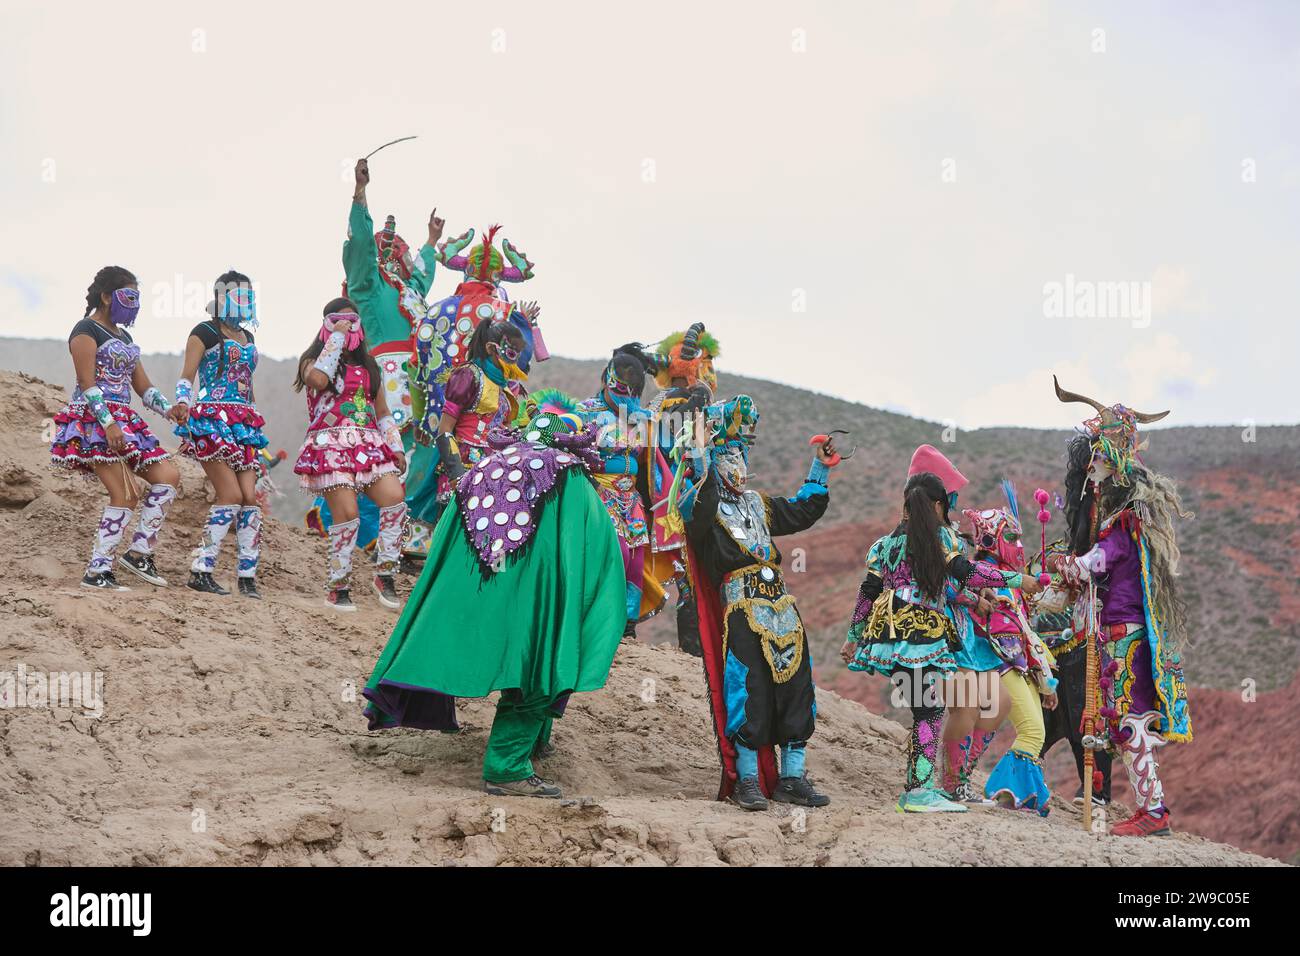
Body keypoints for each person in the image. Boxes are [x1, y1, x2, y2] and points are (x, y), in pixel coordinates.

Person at [363, 404, 626, 798]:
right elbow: (592, 545)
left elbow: (447, 537)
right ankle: (507, 767)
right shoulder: (568, 472)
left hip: (481, 583)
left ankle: (536, 741)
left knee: (521, 656)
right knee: (541, 662)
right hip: (537, 588)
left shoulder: (486, 466)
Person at [841, 471, 1042, 813]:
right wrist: (1018, 579)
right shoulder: (941, 540)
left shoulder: (885, 545)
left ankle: (917, 790)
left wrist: (852, 637)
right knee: (930, 711)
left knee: (925, 709)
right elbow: (969, 573)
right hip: (923, 632)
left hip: (889, 635)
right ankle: (920, 792)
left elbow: (868, 592)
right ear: (937, 505)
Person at [1046, 378, 1192, 837]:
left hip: (1122, 636)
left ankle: (1153, 814)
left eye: (1101, 458)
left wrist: (1063, 566)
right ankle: (1152, 810)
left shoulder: (1122, 524)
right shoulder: (1124, 522)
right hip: (1121, 635)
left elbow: (1092, 566)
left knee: (1130, 725)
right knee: (1130, 726)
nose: (1093, 466)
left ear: (1118, 464)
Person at [683, 396, 835, 811]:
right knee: (749, 688)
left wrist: (819, 466)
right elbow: (697, 510)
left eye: (740, 452)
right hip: (742, 608)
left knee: (796, 685)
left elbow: (802, 511)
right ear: (712, 459)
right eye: (726, 453)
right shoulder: (702, 507)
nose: (736, 460)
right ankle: (747, 780)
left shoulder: (759, 504)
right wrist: (698, 452)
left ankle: (792, 777)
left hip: (782, 606)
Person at [306, 158, 443, 564]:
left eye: (401, 250)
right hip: (381, 378)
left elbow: (420, 279)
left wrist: (432, 243)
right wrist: (360, 194)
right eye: (391, 249)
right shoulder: (366, 288)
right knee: (379, 457)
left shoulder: (405, 291)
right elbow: (362, 247)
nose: (397, 254)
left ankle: (407, 539)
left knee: (420, 459)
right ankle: (366, 537)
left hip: (418, 385)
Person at [51, 266, 184, 590]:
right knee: (125, 493)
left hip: (126, 420)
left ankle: (139, 554)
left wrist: (170, 409)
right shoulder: (85, 330)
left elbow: (143, 387)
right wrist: (108, 422)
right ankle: (97, 571)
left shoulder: (125, 338)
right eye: (129, 296)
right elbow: (86, 382)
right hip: (94, 421)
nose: (134, 303)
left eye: (138, 297)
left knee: (168, 477)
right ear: (107, 296)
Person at [292, 299, 408, 611]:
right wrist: (337, 338)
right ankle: (338, 585)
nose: (346, 323)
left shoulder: (371, 367)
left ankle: (386, 573)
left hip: (368, 444)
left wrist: (395, 446)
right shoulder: (312, 361)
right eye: (338, 319)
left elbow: (382, 411)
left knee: (395, 498)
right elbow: (318, 380)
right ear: (326, 323)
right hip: (329, 444)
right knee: (348, 513)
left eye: (351, 320)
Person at [961, 486, 1059, 814]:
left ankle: (1015, 797)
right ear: (992, 540)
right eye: (1012, 537)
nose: (1019, 545)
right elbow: (998, 631)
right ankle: (1009, 796)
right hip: (997, 665)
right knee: (1030, 731)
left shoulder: (1006, 581)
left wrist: (1042, 677)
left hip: (1016, 663)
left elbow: (1023, 632)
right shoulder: (981, 576)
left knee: (1035, 731)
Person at [172, 270, 268, 597]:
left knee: (250, 499)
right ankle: (201, 569)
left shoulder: (248, 337)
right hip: (211, 418)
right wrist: (182, 403)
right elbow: (186, 376)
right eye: (239, 295)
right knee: (231, 495)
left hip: (243, 422)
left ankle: (247, 576)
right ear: (222, 296)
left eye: (249, 295)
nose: (246, 301)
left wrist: (254, 426)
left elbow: (247, 384)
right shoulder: (205, 331)